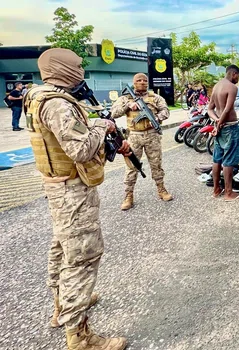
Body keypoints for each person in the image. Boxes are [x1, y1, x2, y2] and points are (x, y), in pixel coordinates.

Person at [24, 48, 128, 350]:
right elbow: (81, 150)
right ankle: (80, 336)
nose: (81, 70)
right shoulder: (57, 104)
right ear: (62, 68)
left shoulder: (37, 96)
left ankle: (62, 305)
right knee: (83, 257)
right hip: (72, 191)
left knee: (62, 245)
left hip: (58, 185)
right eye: (78, 66)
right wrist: (101, 125)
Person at [110, 73, 173, 210]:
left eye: (145, 80)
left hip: (152, 136)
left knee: (156, 164)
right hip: (134, 136)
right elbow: (113, 113)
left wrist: (156, 118)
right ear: (133, 83)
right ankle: (128, 195)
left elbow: (166, 111)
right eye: (139, 80)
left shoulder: (155, 97)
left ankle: (161, 189)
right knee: (132, 166)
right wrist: (128, 106)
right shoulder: (125, 98)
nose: (142, 82)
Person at [208, 65, 239, 201]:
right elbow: (228, 109)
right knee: (229, 160)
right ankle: (229, 193)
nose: (238, 79)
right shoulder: (232, 87)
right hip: (229, 127)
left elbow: (209, 109)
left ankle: (216, 189)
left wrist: (217, 121)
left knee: (217, 158)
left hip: (220, 127)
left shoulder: (217, 86)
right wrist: (220, 123)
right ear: (234, 74)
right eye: (238, 76)